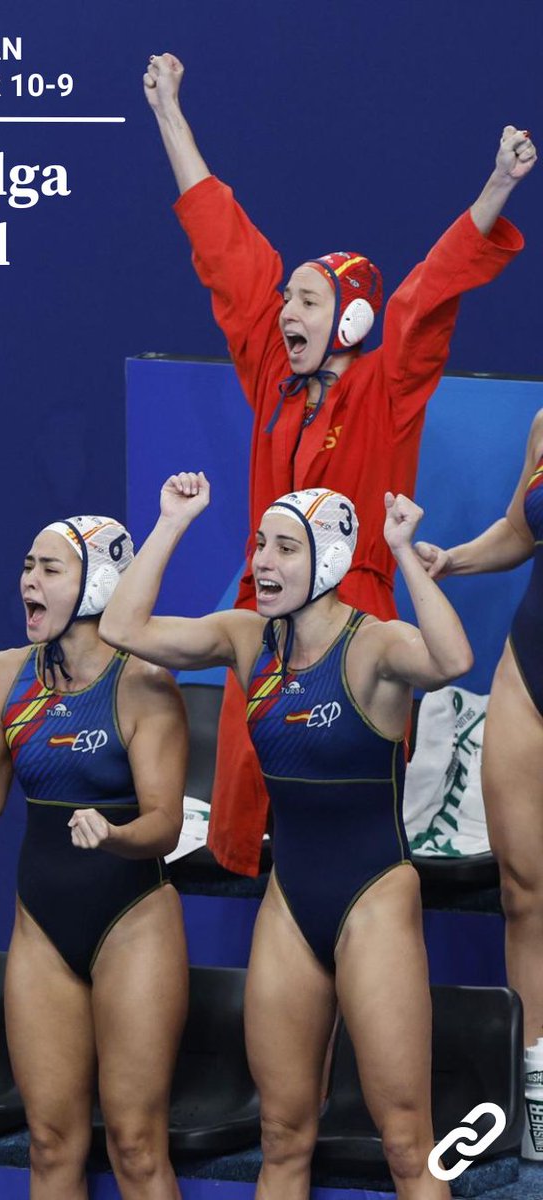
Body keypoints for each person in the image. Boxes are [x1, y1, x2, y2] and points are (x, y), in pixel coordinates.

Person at [144, 51, 535, 877]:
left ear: (352, 320)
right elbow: (227, 253)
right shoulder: (272, 378)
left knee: (345, 823)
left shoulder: (386, 391)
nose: (285, 308)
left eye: (308, 299)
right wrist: (171, 117)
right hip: (270, 611)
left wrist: (496, 187)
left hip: (353, 608)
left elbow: (425, 298)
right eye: (286, 298)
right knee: (254, 830)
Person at [100, 472, 472, 1199]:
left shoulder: (376, 647)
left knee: (405, 1142)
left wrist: (398, 550)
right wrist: (171, 523)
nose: (261, 562)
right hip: (290, 900)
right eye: (258, 546)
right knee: (281, 1136)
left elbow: (454, 661)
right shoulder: (247, 637)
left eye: (284, 550)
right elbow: (123, 628)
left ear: (329, 562)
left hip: (373, 897)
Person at [0, 515, 189, 1200]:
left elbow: (165, 824)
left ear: (100, 582)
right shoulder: (1, 677)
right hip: (42, 928)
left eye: (50, 568)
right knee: (49, 1145)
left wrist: (114, 834)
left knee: (136, 1146)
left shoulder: (144, 684)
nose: (29, 581)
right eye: (28, 566)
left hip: (132, 920)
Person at [414, 418, 543, 1048]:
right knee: (522, 891)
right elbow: (522, 527)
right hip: (530, 669)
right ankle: (537, 1090)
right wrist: (453, 559)